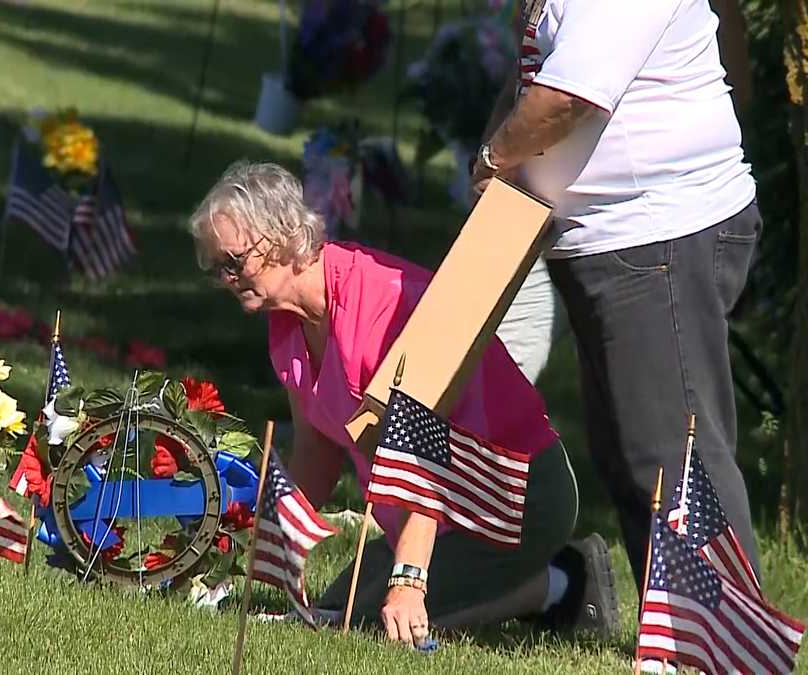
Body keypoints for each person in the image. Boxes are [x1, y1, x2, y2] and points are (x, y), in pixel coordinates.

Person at [188, 161, 620, 646]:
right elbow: (315, 453)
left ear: (283, 235)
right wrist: (256, 547)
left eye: (234, 262)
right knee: (338, 608)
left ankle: (565, 583)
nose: (227, 279)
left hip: (509, 495)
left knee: (372, 625)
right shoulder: (286, 322)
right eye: (216, 269)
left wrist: (409, 582)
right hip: (433, 508)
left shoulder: (381, 302)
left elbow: (422, 457)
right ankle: (522, 581)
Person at [470, 0, 763, 595]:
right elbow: (535, 73)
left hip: (659, 234)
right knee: (630, 456)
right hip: (616, 242)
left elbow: (570, 96)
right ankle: (676, 630)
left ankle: (729, 631)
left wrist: (494, 159)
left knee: (675, 459)